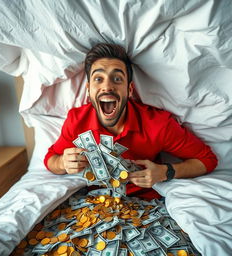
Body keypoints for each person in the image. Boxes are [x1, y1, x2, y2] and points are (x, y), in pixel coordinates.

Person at [44, 43, 218, 200]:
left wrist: (166, 171)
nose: (107, 87)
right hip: (93, 202)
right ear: (89, 90)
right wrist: (62, 163)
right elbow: (50, 159)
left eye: (117, 78)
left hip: (145, 204)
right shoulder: (76, 121)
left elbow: (207, 160)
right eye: (98, 79)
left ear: (129, 90)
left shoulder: (158, 125)